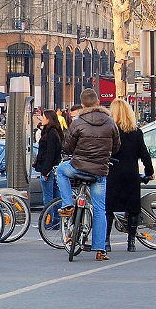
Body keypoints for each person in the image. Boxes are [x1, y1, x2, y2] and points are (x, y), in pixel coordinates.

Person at [56, 88, 120, 261]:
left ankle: (68, 203)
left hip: (78, 167)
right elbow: (116, 147)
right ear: (98, 102)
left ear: (83, 105)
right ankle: (100, 249)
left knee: (60, 171)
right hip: (99, 171)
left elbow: (68, 146)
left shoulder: (78, 122)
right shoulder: (110, 122)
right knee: (100, 210)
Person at [105, 99, 154, 252]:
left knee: (109, 208)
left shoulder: (111, 131)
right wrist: (149, 172)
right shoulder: (136, 132)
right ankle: (131, 242)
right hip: (131, 173)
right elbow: (145, 154)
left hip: (113, 172)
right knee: (133, 208)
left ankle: (106, 241)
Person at [33, 110, 63, 207]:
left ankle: (48, 220)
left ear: (49, 119)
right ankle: (56, 220)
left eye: (43, 117)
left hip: (48, 168)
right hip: (53, 167)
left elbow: (50, 153)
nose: (41, 119)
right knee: (55, 195)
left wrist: (45, 171)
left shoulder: (51, 133)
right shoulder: (54, 131)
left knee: (48, 197)